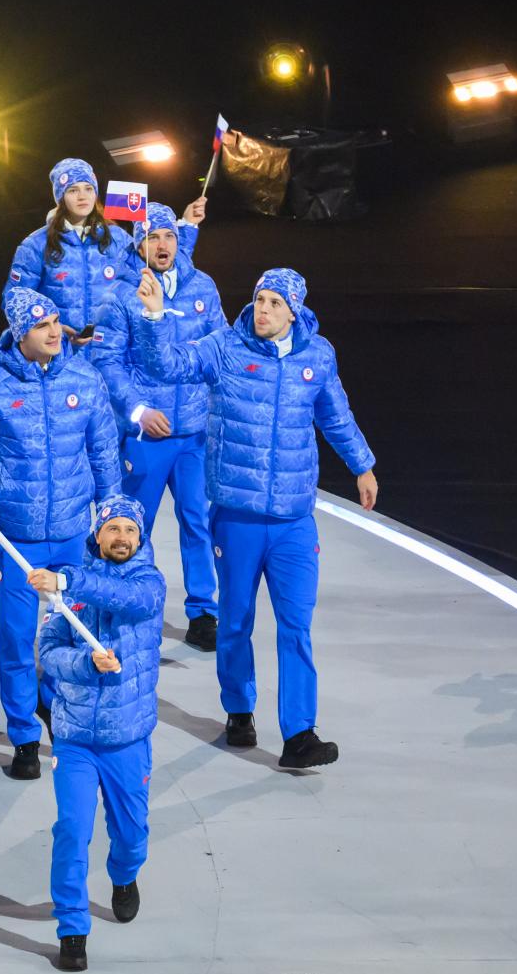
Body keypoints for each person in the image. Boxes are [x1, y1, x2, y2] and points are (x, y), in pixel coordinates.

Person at [131, 266, 378, 769]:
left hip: (293, 520)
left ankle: (299, 734)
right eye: (259, 299)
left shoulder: (317, 355)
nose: (262, 310)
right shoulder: (224, 348)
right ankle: (239, 710)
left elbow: (335, 415)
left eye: (274, 303)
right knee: (236, 620)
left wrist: (363, 465)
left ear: (294, 312)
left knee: (296, 625)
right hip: (237, 517)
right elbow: (168, 365)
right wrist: (154, 318)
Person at [0, 287, 121, 781]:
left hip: (73, 534)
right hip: (14, 539)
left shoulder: (85, 380)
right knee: (16, 637)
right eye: (41, 325)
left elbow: (104, 454)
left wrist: (111, 518)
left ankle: (56, 707)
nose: (54, 332)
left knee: (71, 632)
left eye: (55, 322)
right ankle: (24, 735)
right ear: (19, 332)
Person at [32, 495, 164, 973]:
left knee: (131, 835)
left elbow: (128, 600)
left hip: (127, 739)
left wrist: (68, 580)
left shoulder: (149, 584)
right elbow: (48, 652)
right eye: (113, 529)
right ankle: (72, 928)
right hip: (75, 739)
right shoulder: (69, 592)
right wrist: (85, 663)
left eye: (130, 530)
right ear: (98, 535)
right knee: (72, 830)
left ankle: (124, 875)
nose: (122, 538)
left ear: (140, 538)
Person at [89, 202, 225, 650]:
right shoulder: (119, 294)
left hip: (194, 436)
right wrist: (139, 411)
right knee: (130, 525)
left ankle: (203, 612)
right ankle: (122, 604)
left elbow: (221, 348)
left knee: (197, 522)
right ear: (138, 244)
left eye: (168, 236)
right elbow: (106, 362)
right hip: (146, 437)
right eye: (152, 237)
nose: (162, 245)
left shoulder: (202, 287)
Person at [6, 158, 204, 342]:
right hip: (61, 351)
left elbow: (161, 263)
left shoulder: (116, 238)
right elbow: (16, 300)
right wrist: (52, 331)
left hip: (110, 350)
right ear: (61, 197)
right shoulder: (35, 245)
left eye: (88, 188)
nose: (82, 196)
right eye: (73, 190)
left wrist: (187, 225)